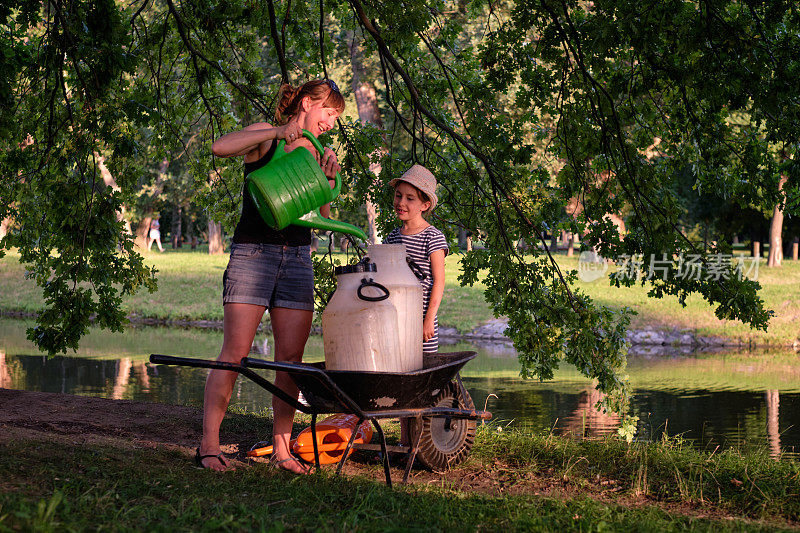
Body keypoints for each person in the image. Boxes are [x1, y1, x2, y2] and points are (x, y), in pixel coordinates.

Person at [197, 79, 345, 473]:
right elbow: (218, 147)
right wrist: (279, 131)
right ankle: (209, 444)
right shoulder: (267, 136)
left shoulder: (316, 152)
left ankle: (282, 450)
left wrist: (329, 178)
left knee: (290, 362)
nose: (332, 121)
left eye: (335, 117)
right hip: (253, 254)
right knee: (235, 353)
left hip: (297, 259)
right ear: (309, 103)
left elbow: (325, 218)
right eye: (330, 112)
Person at [385, 164, 448, 354]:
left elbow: (439, 281)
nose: (401, 202)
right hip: (396, 318)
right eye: (398, 195)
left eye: (409, 198)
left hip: (422, 321)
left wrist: (428, 320)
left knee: (422, 369)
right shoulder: (393, 237)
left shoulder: (433, 237)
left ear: (425, 205)